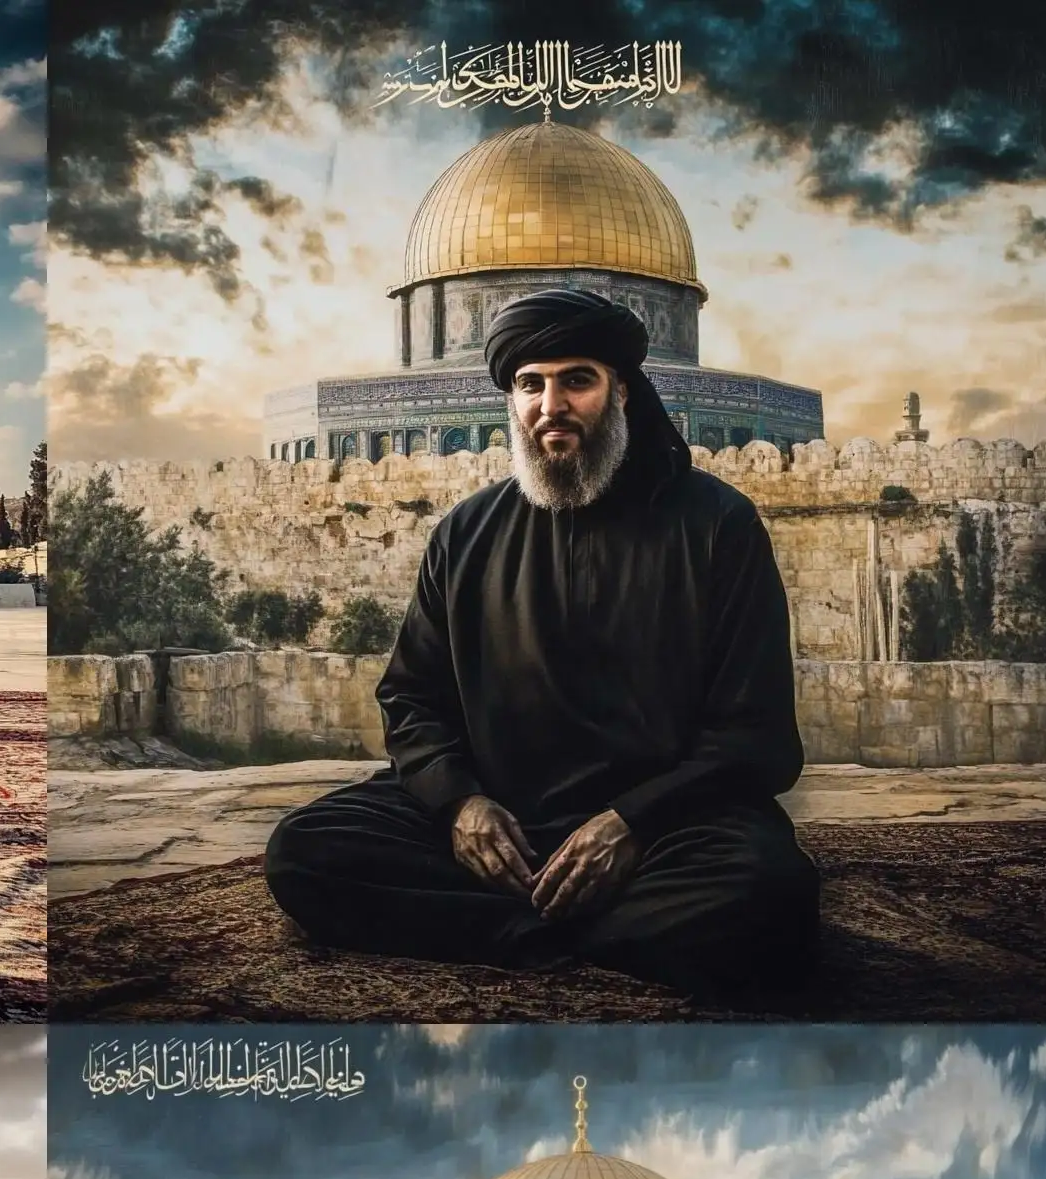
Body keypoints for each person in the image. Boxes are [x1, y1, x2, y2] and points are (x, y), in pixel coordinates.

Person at [263, 287, 819, 999]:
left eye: (576, 380)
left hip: (665, 829)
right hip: (503, 822)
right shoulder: (468, 533)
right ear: (511, 400)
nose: (550, 406)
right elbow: (412, 697)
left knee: (768, 894)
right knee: (306, 852)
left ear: (622, 392)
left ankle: (510, 928)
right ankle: (578, 930)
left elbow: (757, 737)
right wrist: (461, 805)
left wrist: (631, 823)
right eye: (531, 384)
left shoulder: (716, 526)